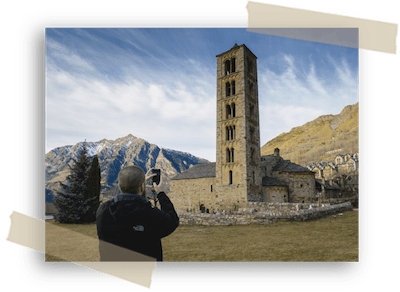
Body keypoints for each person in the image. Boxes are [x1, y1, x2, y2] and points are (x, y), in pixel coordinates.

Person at [96, 166, 179, 262]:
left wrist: (140, 187)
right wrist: (161, 193)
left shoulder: (103, 212)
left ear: (119, 185)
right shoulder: (150, 215)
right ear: (142, 187)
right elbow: (172, 220)